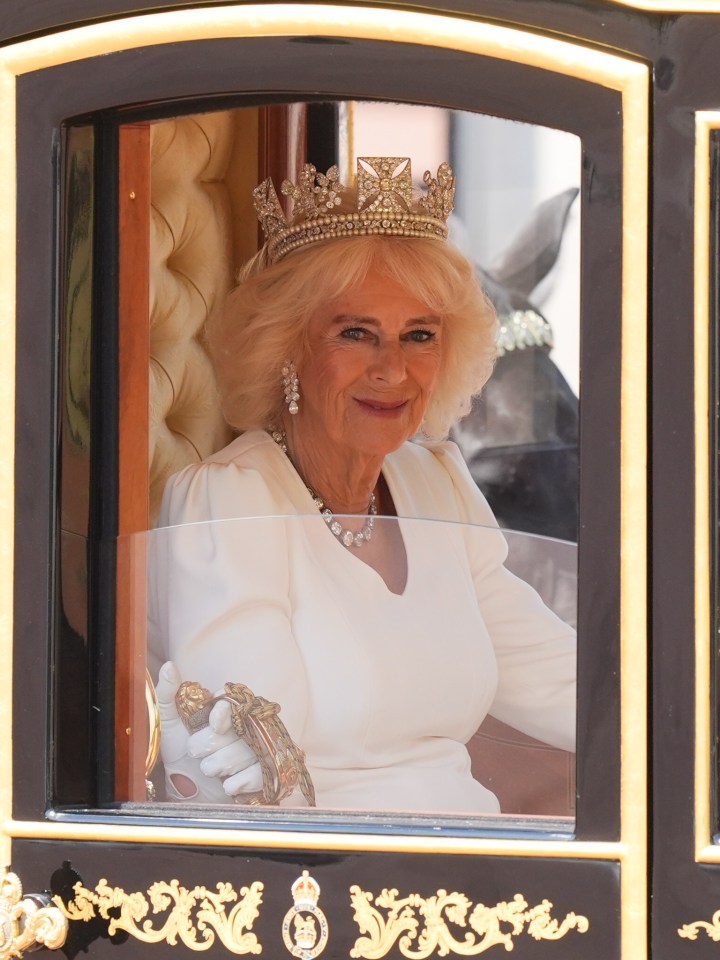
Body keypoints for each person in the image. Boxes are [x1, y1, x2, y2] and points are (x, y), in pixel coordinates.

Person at [148, 156, 576, 814]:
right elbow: (260, 769)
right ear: (286, 348)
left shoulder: (435, 483)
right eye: (356, 334)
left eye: (420, 336)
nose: (393, 369)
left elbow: (562, 681)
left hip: (479, 854)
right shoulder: (230, 501)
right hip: (326, 878)